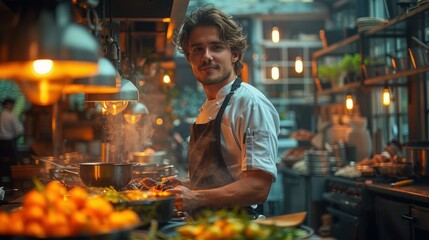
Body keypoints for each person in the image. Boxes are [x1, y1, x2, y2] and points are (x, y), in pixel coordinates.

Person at [166, 5, 280, 218]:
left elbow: (257, 187)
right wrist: (187, 186)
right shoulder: (209, 105)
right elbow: (225, 177)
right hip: (206, 226)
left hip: (237, 228)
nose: (206, 56)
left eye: (216, 47)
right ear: (189, 57)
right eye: (197, 49)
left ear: (235, 54)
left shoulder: (250, 104)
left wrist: (196, 198)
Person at [0, 98, 24, 184]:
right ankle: (11, 182)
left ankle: (3, 181)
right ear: (8, 105)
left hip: (1, 142)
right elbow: (20, 130)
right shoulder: (11, 115)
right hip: (9, 142)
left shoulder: (1, 114)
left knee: (2, 162)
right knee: (12, 163)